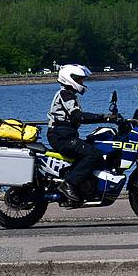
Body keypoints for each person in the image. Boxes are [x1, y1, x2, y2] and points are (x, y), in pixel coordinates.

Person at [46, 63, 114, 203]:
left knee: (93, 146)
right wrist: (104, 117)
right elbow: (78, 116)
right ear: (69, 78)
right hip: (61, 137)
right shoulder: (65, 94)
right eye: (79, 79)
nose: (82, 82)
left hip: (65, 135)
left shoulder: (69, 94)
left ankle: (84, 187)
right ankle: (69, 184)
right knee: (93, 154)